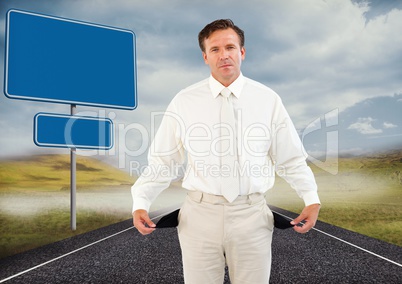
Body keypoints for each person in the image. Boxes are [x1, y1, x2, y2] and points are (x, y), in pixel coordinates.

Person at [132, 19, 320, 283]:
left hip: (252, 216)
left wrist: (311, 197)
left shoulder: (268, 100)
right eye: (215, 49)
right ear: (205, 56)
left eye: (230, 47)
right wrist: (141, 201)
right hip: (198, 217)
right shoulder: (184, 101)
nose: (224, 55)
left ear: (242, 52)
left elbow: (289, 158)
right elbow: (164, 160)